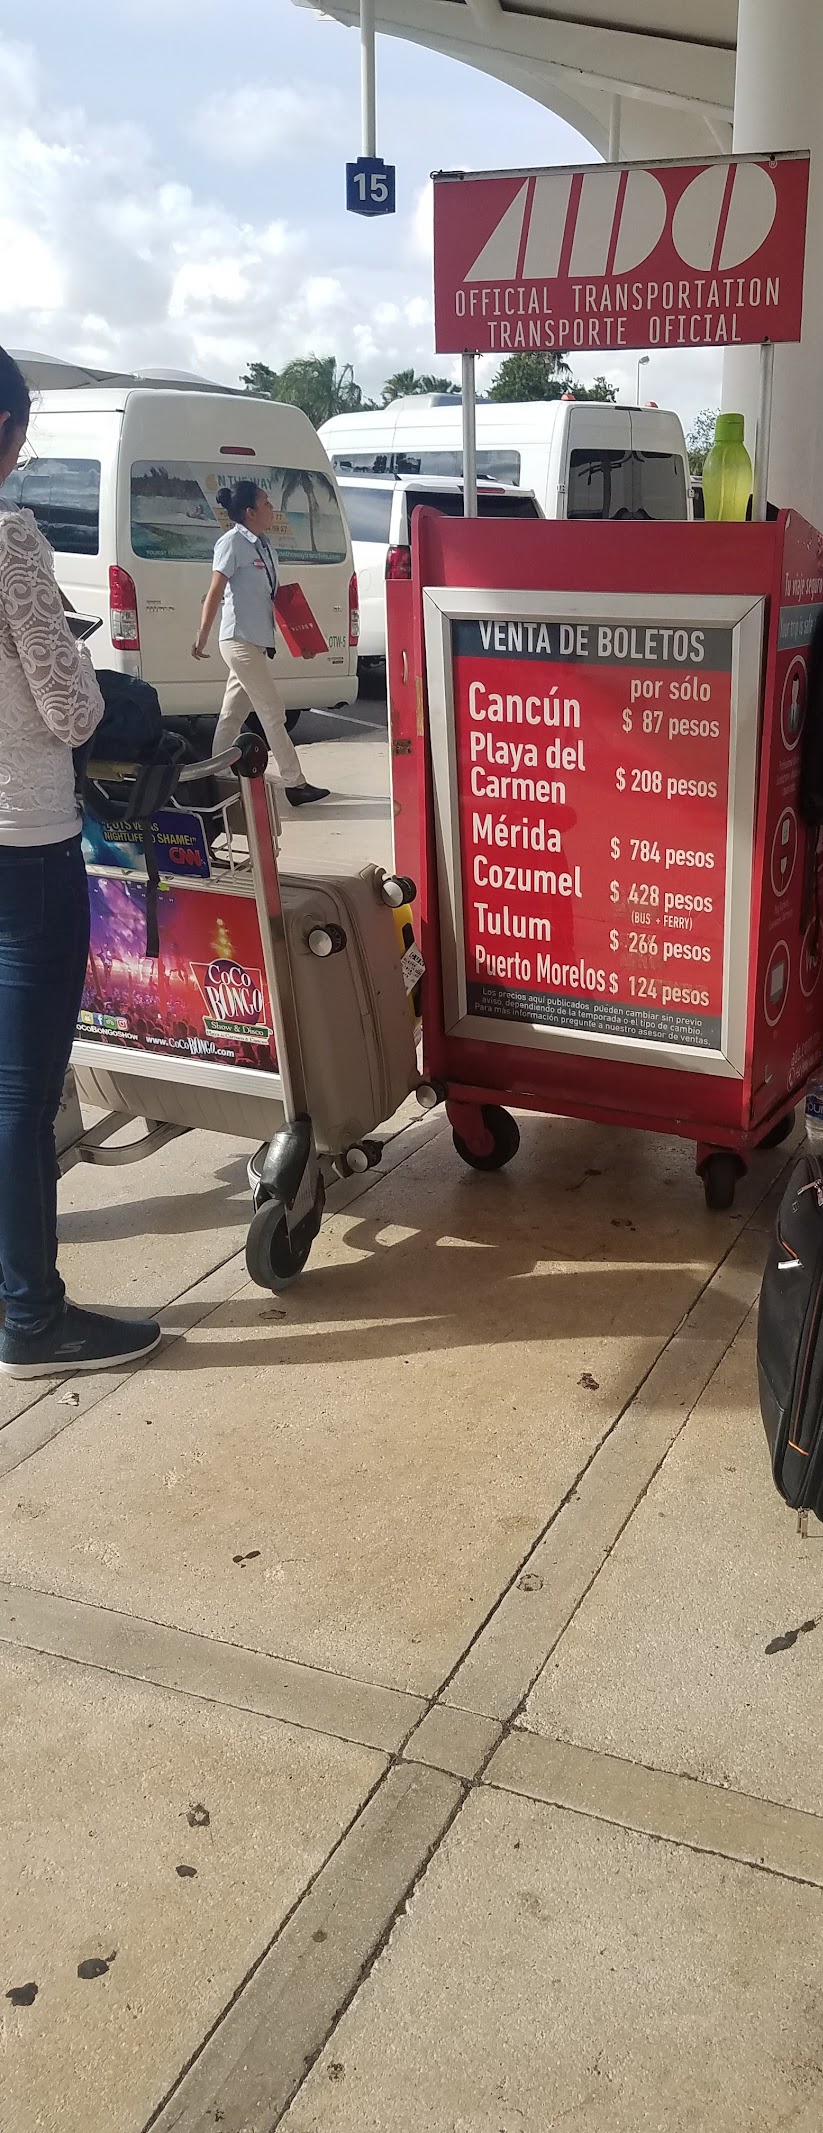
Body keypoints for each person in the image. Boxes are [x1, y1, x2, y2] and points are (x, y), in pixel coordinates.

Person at [0, 346, 161, 1376]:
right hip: (23, 846)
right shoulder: (9, 538)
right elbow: (69, 709)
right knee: (19, 1096)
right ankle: (33, 1317)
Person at [192, 481, 328, 808]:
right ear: (250, 512)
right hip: (237, 640)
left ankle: (214, 777)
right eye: (266, 504)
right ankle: (294, 782)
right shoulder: (231, 543)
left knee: (231, 714)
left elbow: (275, 598)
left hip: (255, 641)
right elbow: (215, 591)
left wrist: (302, 641)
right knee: (272, 712)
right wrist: (202, 634)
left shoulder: (265, 547)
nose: (272, 509)